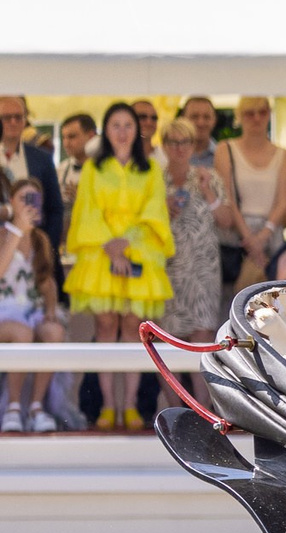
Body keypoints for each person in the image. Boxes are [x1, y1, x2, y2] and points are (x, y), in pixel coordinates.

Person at [62, 102, 172, 432]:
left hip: (139, 253)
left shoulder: (150, 168)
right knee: (107, 330)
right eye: (115, 125)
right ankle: (109, 407)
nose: (122, 131)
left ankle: (132, 407)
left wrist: (127, 243)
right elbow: (86, 211)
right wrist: (110, 245)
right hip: (101, 254)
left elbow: (155, 213)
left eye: (127, 125)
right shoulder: (94, 169)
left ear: (135, 130)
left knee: (135, 332)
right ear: (106, 131)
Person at [0, 177, 65, 431]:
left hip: (31, 311)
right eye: (24, 198)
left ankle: (36, 406)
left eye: (34, 199)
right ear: (12, 202)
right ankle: (14, 407)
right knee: (22, 332)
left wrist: (50, 310)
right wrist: (17, 231)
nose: (30, 205)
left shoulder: (41, 240)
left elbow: (47, 282)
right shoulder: (4, 235)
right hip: (4, 311)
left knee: (55, 332)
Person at [155, 114, 225, 345]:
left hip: (202, 271)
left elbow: (226, 220)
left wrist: (208, 191)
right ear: (164, 146)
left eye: (185, 142)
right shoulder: (155, 180)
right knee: (166, 339)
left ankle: (201, 383)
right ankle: (170, 383)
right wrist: (160, 207)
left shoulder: (209, 177)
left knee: (202, 337)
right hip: (167, 268)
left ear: (193, 145)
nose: (179, 148)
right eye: (173, 142)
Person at [213, 95, 286, 283]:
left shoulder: (284, 155)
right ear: (239, 117)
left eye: (262, 112)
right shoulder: (225, 149)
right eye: (249, 113)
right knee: (232, 302)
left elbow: (283, 201)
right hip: (235, 239)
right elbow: (228, 197)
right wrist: (250, 239)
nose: (257, 118)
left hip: (271, 237)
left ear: (269, 115)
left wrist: (263, 236)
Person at [0, 95, 63, 245]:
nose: (13, 122)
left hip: (32, 249)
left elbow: (54, 209)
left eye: (18, 117)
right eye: (6, 117)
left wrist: (47, 247)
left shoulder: (42, 159)